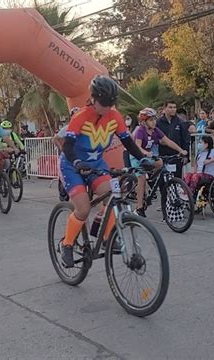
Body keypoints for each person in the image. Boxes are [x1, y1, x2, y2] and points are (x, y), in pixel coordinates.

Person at [59, 75, 148, 268]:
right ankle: (67, 244)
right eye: (103, 103)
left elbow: (128, 142)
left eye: (111, 103)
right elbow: (67, 147)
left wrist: (144, 159)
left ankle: (107, 238)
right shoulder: (81, 116)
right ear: (93, 98)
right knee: (82, 209)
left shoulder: (114, 117)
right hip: (71, 164)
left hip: (96, 165)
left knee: (112, 197)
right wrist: (76, 162)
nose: (107, 107)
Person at [131, 108, 188, 217]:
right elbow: (137, 147)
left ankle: (152, 180)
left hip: (148, 155)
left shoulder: (155, 130)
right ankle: (139, 208)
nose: (154, 122)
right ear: (144, 122)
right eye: (151, 120)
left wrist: (181, 150)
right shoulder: (140, 131)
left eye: (154, 120)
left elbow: (168, 142)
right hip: (136, 155)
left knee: (160, 163)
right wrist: (146, 153)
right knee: (141, 179)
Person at [156, 101, 190, 179]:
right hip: (163, 155)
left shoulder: (181, 122)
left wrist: (186, 156)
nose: (173, 109)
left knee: (177, 179)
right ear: (165, 108)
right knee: (163, 179)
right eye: (170, 107)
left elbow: (186, 139)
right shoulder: (158, 122)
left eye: (174, 107)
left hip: (177, 155)